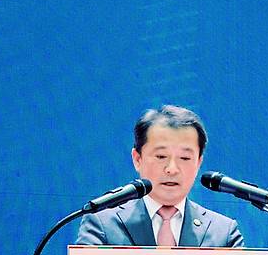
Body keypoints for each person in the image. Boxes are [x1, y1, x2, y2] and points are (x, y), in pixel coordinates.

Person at [76, 105, 243, 247]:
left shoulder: (223, 233)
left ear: (198, 163)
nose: (172, 169)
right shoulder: (103, 225)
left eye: (185, 158)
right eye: (161, 156)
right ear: (137, 159)